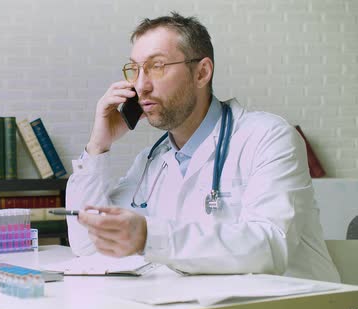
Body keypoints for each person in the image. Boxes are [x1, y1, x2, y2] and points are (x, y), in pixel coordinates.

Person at [65, 12, 340, 282]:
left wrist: (149, 236)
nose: (140, 85)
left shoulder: (269, 137)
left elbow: (268, 247)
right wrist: (98, 146)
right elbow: (90, 246)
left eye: (157, 66)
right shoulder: (153, 160)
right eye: (135, 69)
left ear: (202, 73)